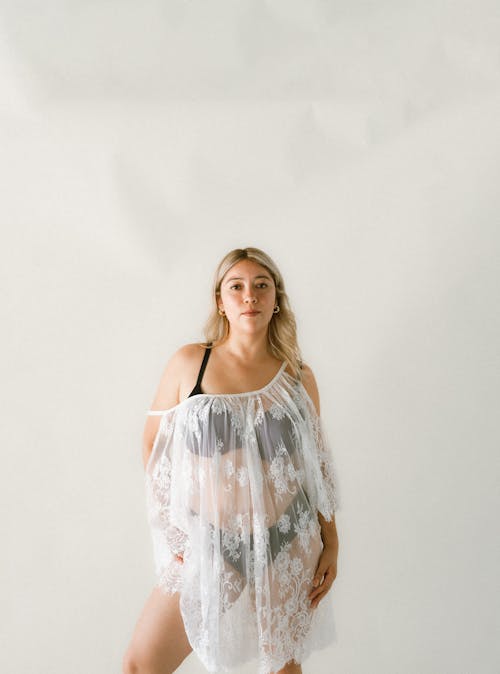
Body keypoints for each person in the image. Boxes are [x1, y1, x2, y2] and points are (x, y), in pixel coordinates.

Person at [123, 247, 340, 674]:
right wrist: (174, 533)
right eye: (236, 287)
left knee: (280, 667)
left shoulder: (298, 376)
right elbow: (153, 446)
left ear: (276, 299)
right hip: (211, 544)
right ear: (220, 302)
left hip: (285, 540)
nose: (250, 296)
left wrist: (331, 540)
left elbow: (315, 464)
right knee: (141, 665)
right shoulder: (190, 363)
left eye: (262, 286)